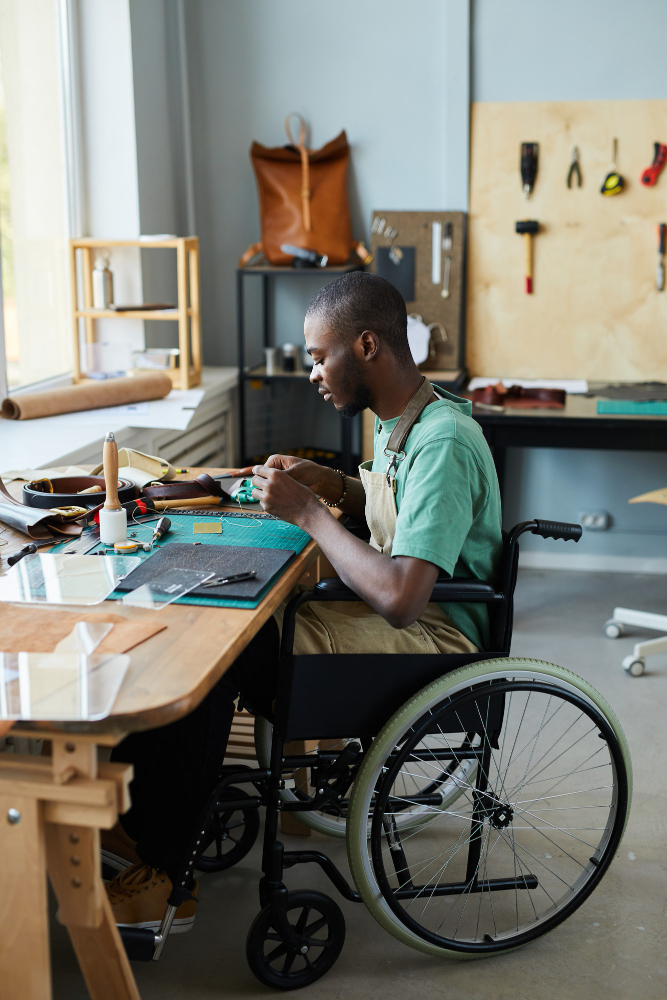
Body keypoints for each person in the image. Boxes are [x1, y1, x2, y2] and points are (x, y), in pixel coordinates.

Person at [103, 271, 503, 932]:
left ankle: (165, 876)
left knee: (216, 651)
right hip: (403, 623)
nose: (313, 371)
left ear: (366, 346)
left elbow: (403, 598)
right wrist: (338, 488)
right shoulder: (410, 420)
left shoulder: (443, 443)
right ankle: (144, 827)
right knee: (209, 624)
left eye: (319, 356)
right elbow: (396, 511)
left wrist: (312, 513)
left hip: (434, 642)